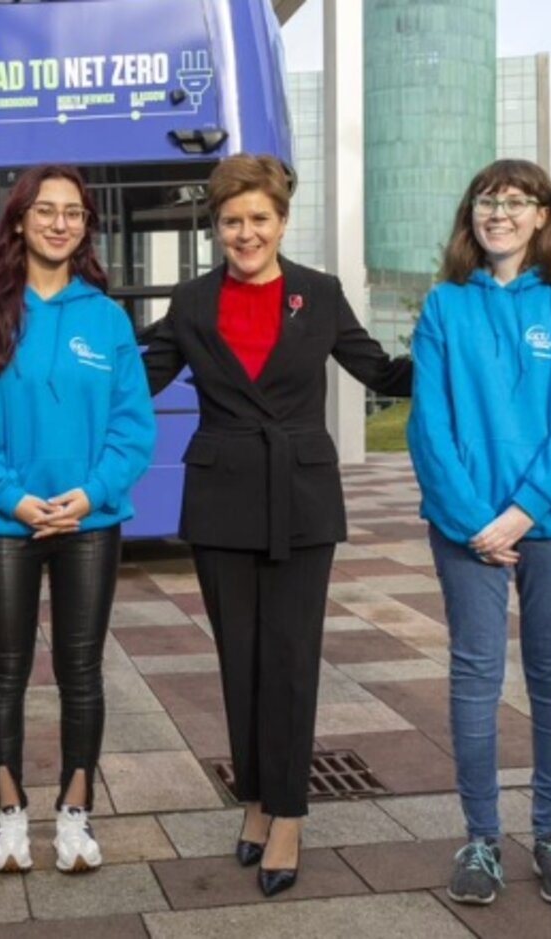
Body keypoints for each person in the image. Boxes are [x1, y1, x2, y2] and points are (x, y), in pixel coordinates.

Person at [142, 153, 411, 898]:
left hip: (301, 497)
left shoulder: (318, 295)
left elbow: (380, 371)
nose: (245, 232)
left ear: (283, 221)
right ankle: (256, 798)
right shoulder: (193, 302)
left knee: (291, 659)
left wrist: (452, 345)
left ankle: (288, 812)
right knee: (240, 659)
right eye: (232, 220)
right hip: (222, 497)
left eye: (259, 218)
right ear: (216, 226)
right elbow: (139, 378)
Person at [407, 159, 551, 908]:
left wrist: (525, 509)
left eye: (515, 201)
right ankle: (481, 837)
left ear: (544, 216)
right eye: (484, 200)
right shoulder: (443, 307)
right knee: (475, 674)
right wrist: (474, 519)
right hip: (464, 521)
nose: (496, 212)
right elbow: (428, 425)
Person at [0, 164, 156, 875]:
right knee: (5, 672)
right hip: (8, 526)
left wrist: (90, 495)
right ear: (20, 221)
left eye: (74, 213)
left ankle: (75, 812)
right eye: (46, 210)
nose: (60, 223)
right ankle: (8, 817)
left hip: (89, 523)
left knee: (81, 671)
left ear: (85, 227)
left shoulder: (107, 318)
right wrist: (13, 498)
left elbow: (133, 428)